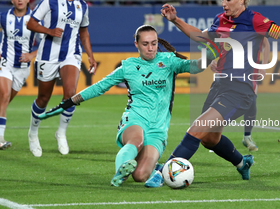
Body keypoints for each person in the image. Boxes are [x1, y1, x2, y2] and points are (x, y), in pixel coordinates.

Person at [145, 0, 280, 188]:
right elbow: (200, 36)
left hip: (240, 91)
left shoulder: (255, 20)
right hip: (219, 85)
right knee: (209, 138)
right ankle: (242, 162)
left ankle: (164, 172)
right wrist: (176, 20)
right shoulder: (220, 20)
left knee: (197, 128)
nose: (224, 3)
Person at [37, 24, 205, 187]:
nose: (151, 48)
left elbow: (196, 66)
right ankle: (120, 172)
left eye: (154, 43)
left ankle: (151, 168)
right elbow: (99, 87)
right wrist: (69, 102)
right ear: (136, 44)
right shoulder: (128, 66)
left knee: (140, 176)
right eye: (145, 44)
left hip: (158, 128)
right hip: (135, 118)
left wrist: (210, 56)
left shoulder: (169, 61)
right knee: (136, 140)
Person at [26, 0, 97, 157]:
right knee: (43, 99)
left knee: (71, 94)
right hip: (48, 55)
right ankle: (33, 133)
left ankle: (61, 133)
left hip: (71, 54)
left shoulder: (82, 5)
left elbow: (84, 33)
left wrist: (90, 55)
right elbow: (31, 23)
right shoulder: (49, 0)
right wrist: (48, 31)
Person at [210, 37, 270, 152]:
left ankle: (247, 137)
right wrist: (210, 59)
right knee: (221, 102)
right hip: (227, 69)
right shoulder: (224, 22)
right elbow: (210, 40)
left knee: (251, 101)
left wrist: (264, 65)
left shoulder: (253, 22)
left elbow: (265, 43)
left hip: (248, 69)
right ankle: (214, 137)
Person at [0, 0, 38, 149]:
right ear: (12, 0)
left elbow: (47, 42)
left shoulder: (35, 20)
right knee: (4, 95)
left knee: (4, 101)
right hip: (5, 63)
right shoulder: (4, 17)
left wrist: (32, 55)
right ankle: (0, 138)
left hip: (23, 69)